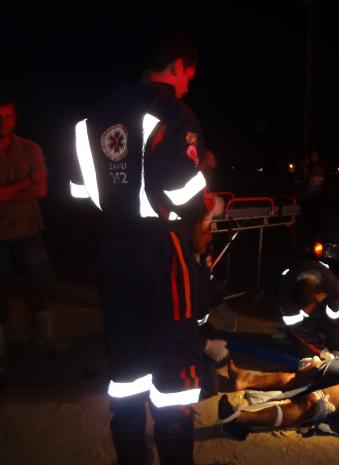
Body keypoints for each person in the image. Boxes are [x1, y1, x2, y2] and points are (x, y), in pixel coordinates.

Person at [70, 33, 214, 465]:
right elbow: (181, 190)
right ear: (176, 66)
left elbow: (82, 193)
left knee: (127, 364)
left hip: (112, 246)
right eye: (189, 74)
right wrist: (204, 193)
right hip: (160, 248)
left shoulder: (94, 116)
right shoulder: (173, 111)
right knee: (175, 362)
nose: (189, 84)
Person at [0, 94, 58, 374]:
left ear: (15, 118)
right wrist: (24, 183)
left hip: (29, 228)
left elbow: (42, 189)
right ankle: (2, 350)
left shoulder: (30, 148)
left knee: (40, 285)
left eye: (8, 117)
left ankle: (46, 339)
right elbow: (32, 186)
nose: (3, 123)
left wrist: (6, 191)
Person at [279, 259, 339, 358]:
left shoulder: (333, 287)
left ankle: (326, 339)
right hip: (294, 290)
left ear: (319, 296)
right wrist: (321, 350)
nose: (305, 313)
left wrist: (336, 350)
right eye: (303, 311)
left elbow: (336, 321)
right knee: (305, 351)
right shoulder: (286, 292)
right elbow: (296, 325)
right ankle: (291, 336)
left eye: (307, 310)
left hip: (324, 297)